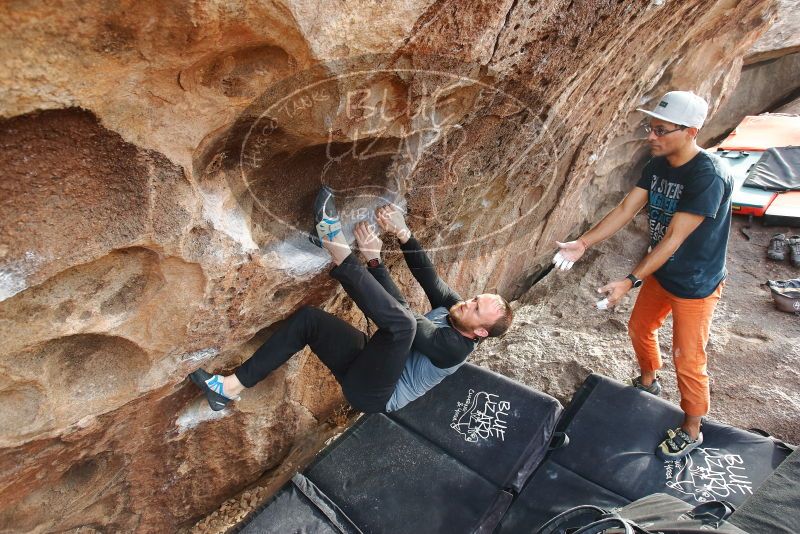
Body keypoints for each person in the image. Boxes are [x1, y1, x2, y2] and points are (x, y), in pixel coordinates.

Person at [189, 186, 513, 415]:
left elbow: (405, 322)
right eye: (474, 298)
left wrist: (374, 263)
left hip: (375, 393)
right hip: (368, 363)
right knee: (309, 321)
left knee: (402, 325)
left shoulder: (454, 350)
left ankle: (333, 241)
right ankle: (228, 388)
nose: (467, 302)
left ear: (480, 333)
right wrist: (402, 234)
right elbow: (428, 275)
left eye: (475, 308)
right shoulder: (456, 309)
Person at [552, 91, 732, 460]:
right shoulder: (658, 164)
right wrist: (583, 243)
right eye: (651, 128)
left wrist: (629, 281)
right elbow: (626, 208)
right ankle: (649, 381)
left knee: (689, 357)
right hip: (662, 274)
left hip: (696, 283)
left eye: (661, 130)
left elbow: (672, 240)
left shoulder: (708, 177)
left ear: (690, 131)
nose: (651, 136)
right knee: (639, 328)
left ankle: (692, 428)